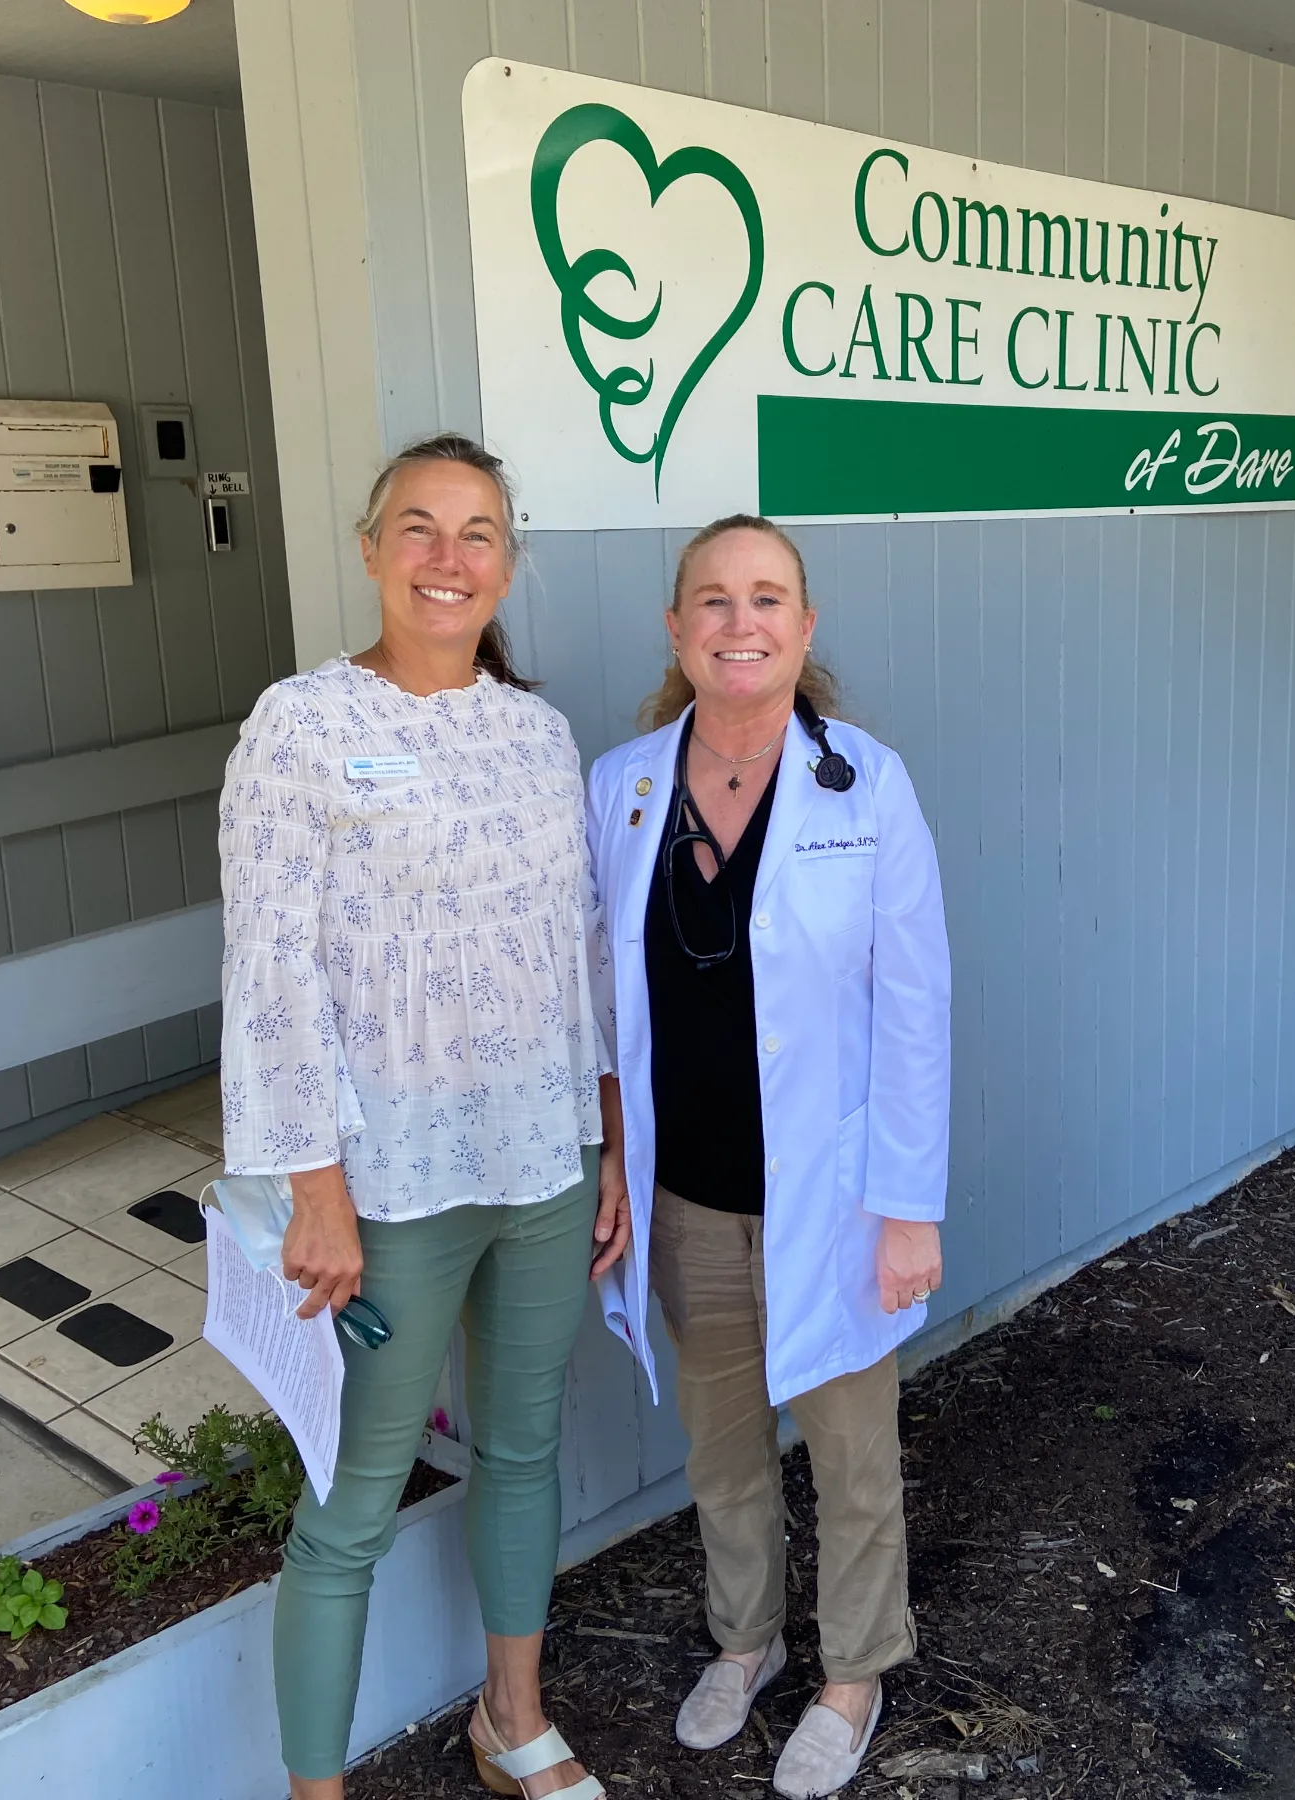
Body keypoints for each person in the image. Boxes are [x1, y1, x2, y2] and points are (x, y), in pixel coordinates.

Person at [219, 434, 628, 1800]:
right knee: (350, 1507)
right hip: (386, 1187)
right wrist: (313, 1186)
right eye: (419, 528)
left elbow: (581, 950)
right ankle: (316, 1790)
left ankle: (513, 1721)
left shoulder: (538, 733)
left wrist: (611, 1137)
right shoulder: (304, 726)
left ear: (509, 562)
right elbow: (271, 971)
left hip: (541, 1162)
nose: (449, 559)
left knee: (520, 1450)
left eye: (478, 534)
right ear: (369, 546)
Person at [583, 515, 952, 1800]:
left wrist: (908, 1209)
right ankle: (744, 1641)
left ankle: (854, 1673)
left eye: (767, 599)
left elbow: (915, 1006)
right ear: (678, 630)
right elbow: (609, 1010)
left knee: (851, 1451)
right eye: (715, 602)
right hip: (688, 1195)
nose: (741, 624)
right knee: (723, 1445)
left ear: (804, 626)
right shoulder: (623, 783)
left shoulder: (868, 782)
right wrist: (621, 1160)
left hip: (837, 1200)